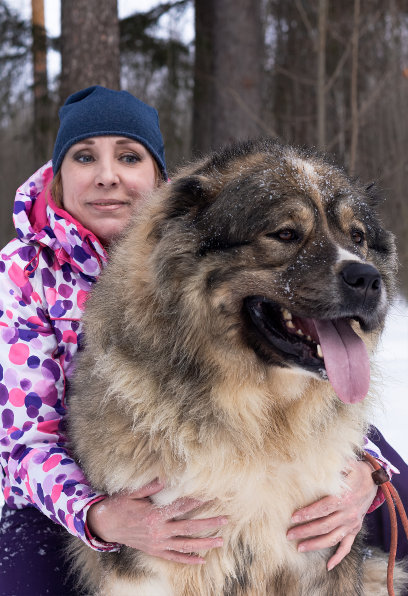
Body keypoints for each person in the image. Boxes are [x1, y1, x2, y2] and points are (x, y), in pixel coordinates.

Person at [0, 85, 405, 596]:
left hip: (255, 420)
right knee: (21, 580)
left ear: (157, 175)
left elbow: (327, 409)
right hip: (68, 482)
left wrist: (366, 475)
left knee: (395, 491)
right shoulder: (21, 272)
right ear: (59, 175)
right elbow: (26, 441)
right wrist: (101, 517)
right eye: (84, 157)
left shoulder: (195, 221)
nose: (107, 175)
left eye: (129, 156)